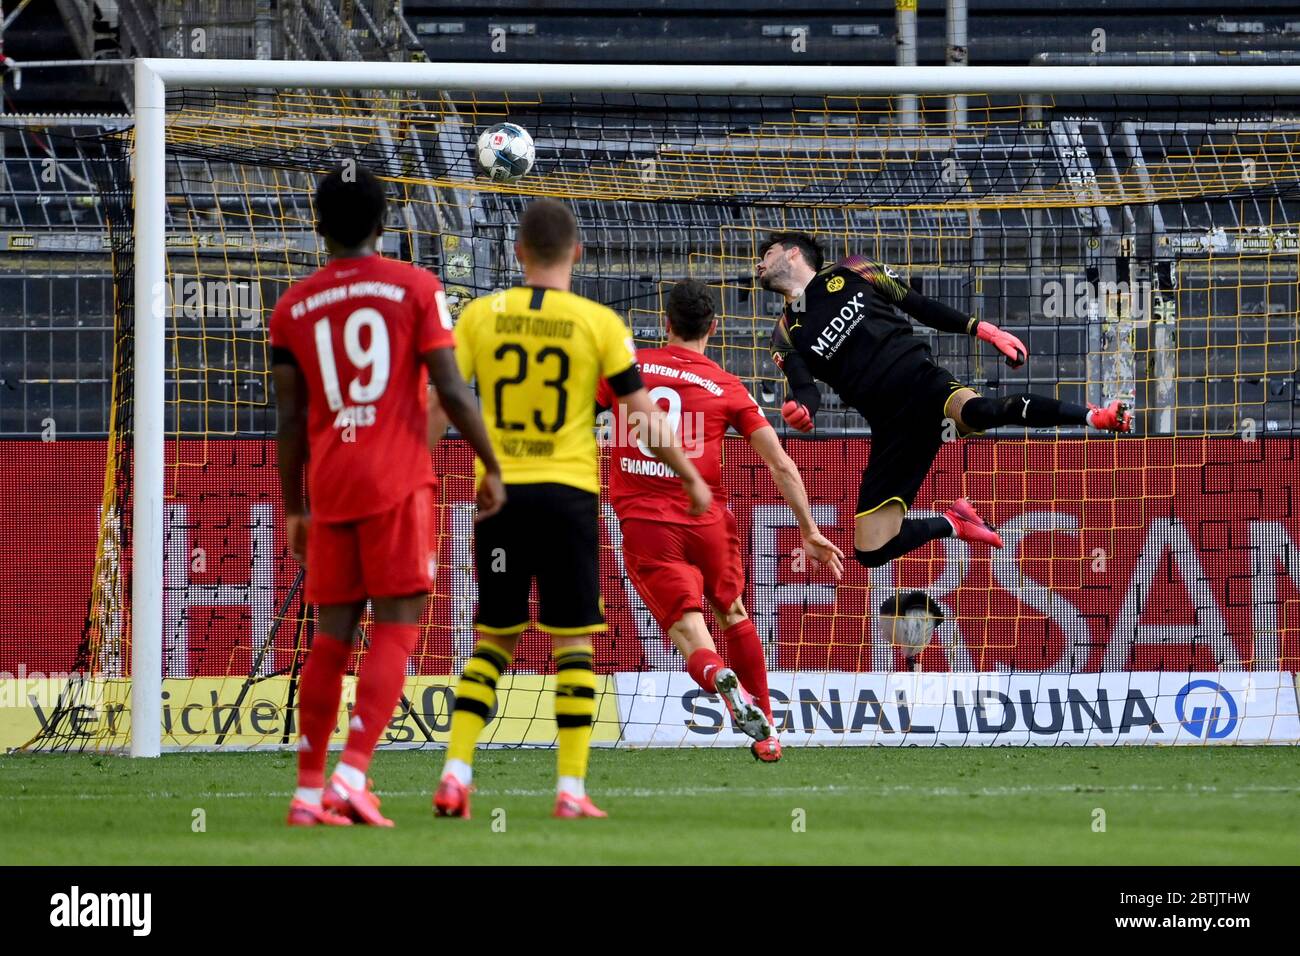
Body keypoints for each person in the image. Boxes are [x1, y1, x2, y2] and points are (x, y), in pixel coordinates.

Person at [433, 199, 711, 820]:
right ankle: (571, 790)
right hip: (567, 498)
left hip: (498, 496)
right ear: (577, 254)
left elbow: (444, 401)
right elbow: (642, 414)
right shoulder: (599, 323)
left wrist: (413, 472)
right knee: (574, 647)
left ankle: (455, 773)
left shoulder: (480, 315)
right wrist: (690, 475)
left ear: (517, 254)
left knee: (494, 641)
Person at [271, 165, 504, 827]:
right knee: (398, 631)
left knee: (330, 641)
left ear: (317, 226)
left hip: (330, 485)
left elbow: (289, 422)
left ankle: (308, 792)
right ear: (385, 224)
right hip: (397, 479)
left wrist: (294, 507)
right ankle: (352, 775)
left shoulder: (291, 308)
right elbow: (453, 390)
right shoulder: (416, 287)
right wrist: (493, 465)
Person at [759, 231, 1131, 570]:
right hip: (891, 427)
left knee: (982, 411)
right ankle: (954, 522)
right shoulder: (783, 335)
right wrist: (801, 408)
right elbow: (804, 388)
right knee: (871, 550)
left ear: (793, 254)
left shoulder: (854, 268)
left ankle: (1093, 416)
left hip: (923, 386)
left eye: (767, 253)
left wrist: (986, 331)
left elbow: (918, 305)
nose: (759, 263)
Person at [597, 279, 844, 761]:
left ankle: (717, 677)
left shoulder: (626, 371)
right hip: (708, 520)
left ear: (665, 324)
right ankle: (768, 728)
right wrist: (810, 530)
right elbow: (780, 463)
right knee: (733, 613)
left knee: (688, 628)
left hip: (648, 522)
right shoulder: (729, 386)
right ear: (714, 327)